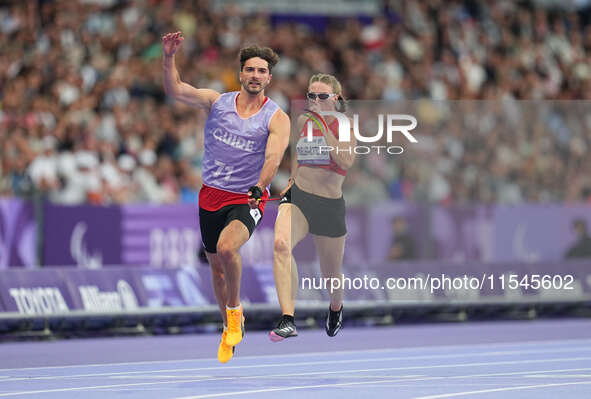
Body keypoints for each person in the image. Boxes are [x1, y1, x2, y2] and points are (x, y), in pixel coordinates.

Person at [162, 32, 290, 362]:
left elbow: (273, 158)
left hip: (247, 197)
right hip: (210, 196)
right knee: (216, 271)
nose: (256, 76)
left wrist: (260, 188)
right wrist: (168, 57)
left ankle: (235, 313)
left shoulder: (276, 117)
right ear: (241, 73)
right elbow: (175, 89)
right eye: (250, 70)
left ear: (269, 78)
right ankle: (228, 324)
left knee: (226, 247)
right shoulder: (216, 102)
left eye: (262, 71)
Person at [270, 73, 355, 341]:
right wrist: (292, 179)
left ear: (336, 99)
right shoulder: (303, 120)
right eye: (311, 96)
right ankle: (288, 318)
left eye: (322, 96)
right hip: (300, 197)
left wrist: (322, 122)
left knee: (330, 272)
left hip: (328, 205)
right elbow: (299, 152)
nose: (315, 101)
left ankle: (336, 306)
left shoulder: (346, 126)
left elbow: (344, 161)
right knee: (281, 245)